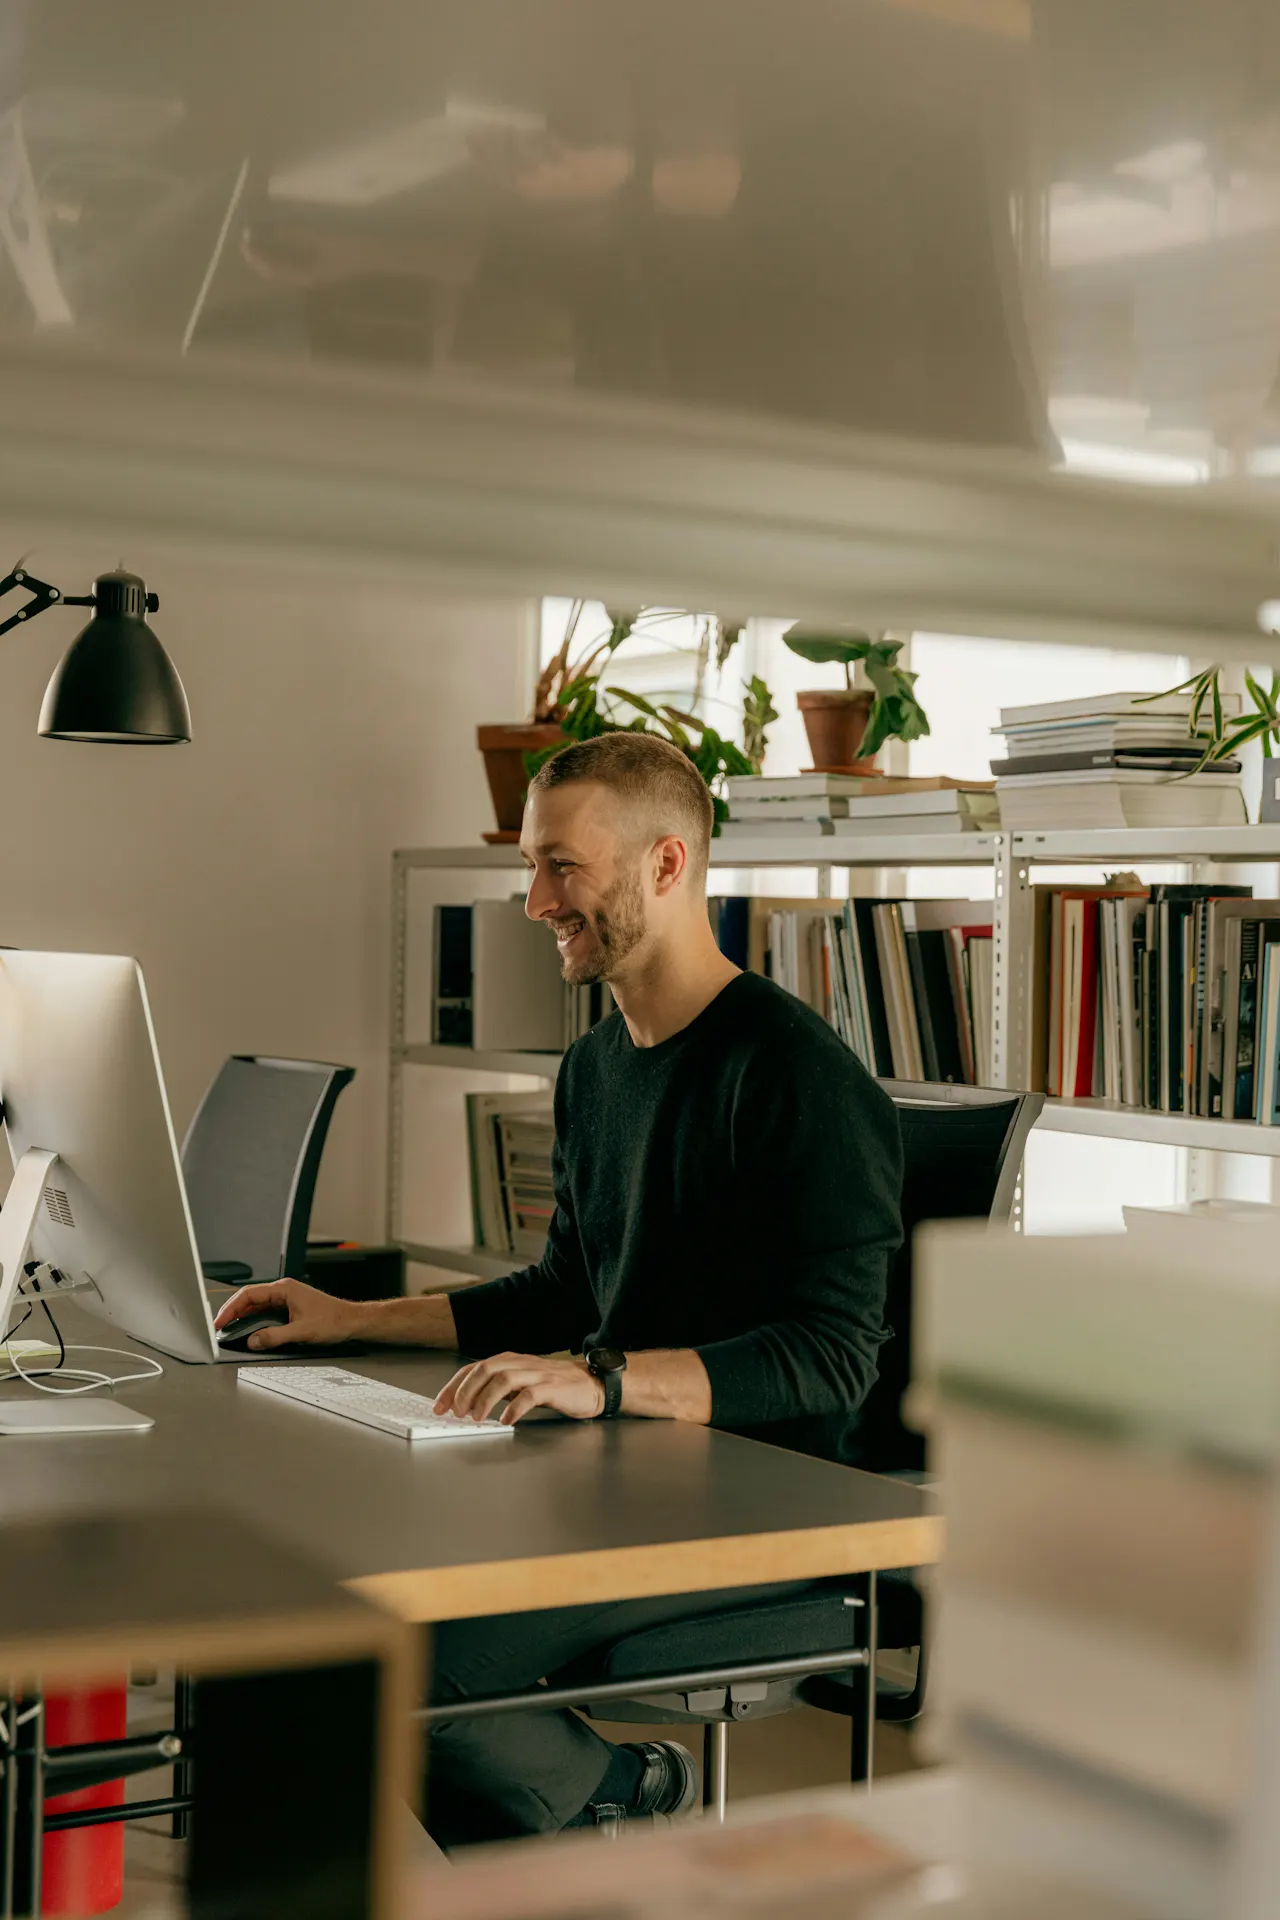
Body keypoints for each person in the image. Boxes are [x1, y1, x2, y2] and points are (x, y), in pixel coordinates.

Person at [215, 731, 903, 1847]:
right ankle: (575, 1829)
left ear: (666, 866)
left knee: (401, 1660)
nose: (533, 900)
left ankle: (611, 1794)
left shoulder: (795, 1077)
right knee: (310, 1599)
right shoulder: (592, 1067)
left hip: (765, 1504)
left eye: (560, 866)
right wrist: (352, 1318)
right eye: (530, 866)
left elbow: (831, 1358)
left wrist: (604, 1376)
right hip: (621, 1472)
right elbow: (560, 1292)